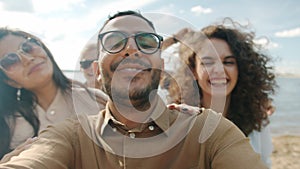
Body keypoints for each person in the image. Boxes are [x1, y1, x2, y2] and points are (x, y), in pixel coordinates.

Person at [0, 11, 268, 169]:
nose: (130, 48)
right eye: (114, 41)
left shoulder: (210, 132)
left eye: (146, 42)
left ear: (161, 66)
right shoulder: (71, 136)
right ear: (95, 70)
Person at [164, 19, 276, 168]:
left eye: (228, 62)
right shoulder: (174, 120)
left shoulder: (256, 120)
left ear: (240, 69)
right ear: (193, 71)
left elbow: (265, 163)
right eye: (208, 62)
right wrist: (172, 39)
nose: (218, 70)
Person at [0, 28, 107, 160]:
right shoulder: (8, 126)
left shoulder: (97, 101)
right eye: (10, 61)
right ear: (9, 81)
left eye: (27, 47)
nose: (27, 59)